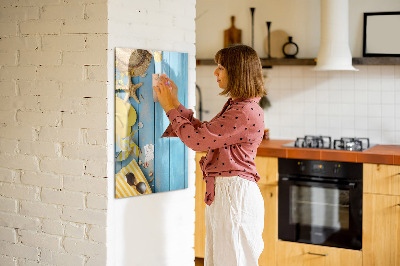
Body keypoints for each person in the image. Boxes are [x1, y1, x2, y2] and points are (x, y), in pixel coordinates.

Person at [153, 44, 266, 266]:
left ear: (237, 71)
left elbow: (197, 141)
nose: (215, 72)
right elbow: (205, 134)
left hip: (234, 195)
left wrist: (169, 108)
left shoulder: (243, 111)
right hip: (228, 193)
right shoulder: (239, 106)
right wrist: (175, 103)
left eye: (221, 67)